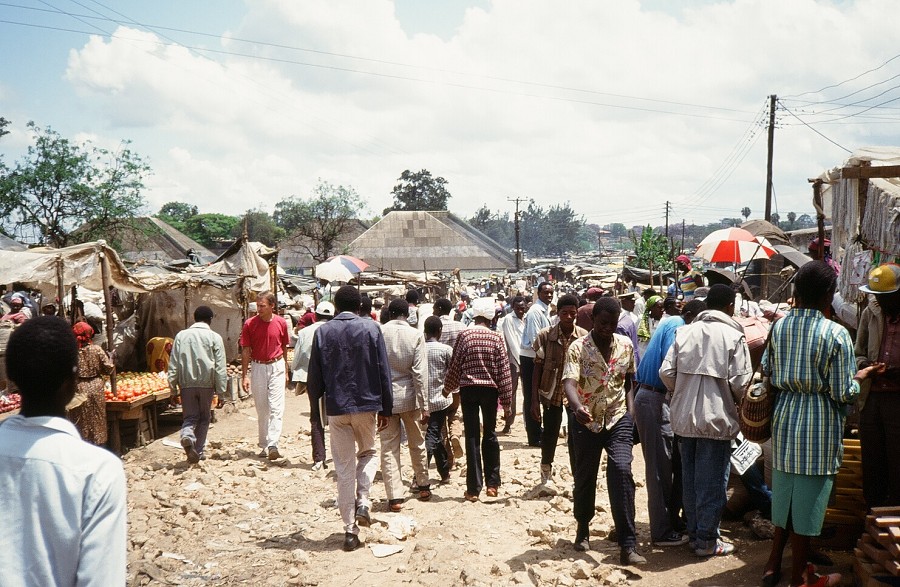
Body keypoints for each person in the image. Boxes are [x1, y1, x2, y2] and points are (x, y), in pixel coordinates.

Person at [761, 261, 883, 587]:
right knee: (808, 507)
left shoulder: (780, 327)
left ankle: (773, 566)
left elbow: (767, 372)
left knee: (785, 498)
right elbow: (843, 392)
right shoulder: (836, 333)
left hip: (785, 421)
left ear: (797, 291)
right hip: (819, 426)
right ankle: (802, 577)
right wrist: (862, 376)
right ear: (830, 294)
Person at [0, 316, 127, 585]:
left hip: (86, 389)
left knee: (87, 424)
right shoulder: (98, 472)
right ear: (70, 380)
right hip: (96, 389)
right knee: (96, 427)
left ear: (11, 377)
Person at [660, 284, 752, 558]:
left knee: (690, 479)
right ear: (730, 307)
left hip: (683, 420)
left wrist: (683, 392)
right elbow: (741, 383)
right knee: (712, 483)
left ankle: (695, 534)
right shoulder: (734, 336)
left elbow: (666, 372)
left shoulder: (684, 332)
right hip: (717, 419)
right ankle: (707, 540)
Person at [307, 285, 393, 552]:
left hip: (336, 407)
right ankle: (364, 501)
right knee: (368, 453)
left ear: (334, 305)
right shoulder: (371, 329)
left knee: (343, 469)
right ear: (359, 306)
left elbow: (314, 378)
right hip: (367, 405)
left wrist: (315, 408)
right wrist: (386, 408)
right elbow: (383, 370)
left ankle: (349, 532)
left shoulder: (322, 332)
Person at [562, 297, 645, 565]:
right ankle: (583, 526)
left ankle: (628, 544)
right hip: (586, 420)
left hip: (618, 417)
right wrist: (577, 408)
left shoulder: (625, 345)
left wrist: (631, 414)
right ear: (593, 321)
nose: (607, 328)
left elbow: (629, 382)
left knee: (621, 471)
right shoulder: (578, 347)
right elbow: (570, 383)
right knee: (585, 476)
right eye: (602, 323)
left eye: (612, 323)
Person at [633, 299, 706, 548]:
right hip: (655, 397)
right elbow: (670, 367)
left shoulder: (671, 323)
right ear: (688, 315)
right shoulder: (677, 325)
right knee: (659, 470)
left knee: (671, 464)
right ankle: (661, 531)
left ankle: (671, 522)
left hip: (656, 398)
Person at [444, 298, 513, 502]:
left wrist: (447, 389)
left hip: (468, 390)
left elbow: (456, 364)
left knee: (472, 436)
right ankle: (493, 484)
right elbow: (504, 371)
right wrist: (507, 402)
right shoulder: (497, 338)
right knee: (490, 434)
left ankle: (473, 489)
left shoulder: (464, 335)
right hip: (490, 392)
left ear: (475, 315)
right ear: (490, 316)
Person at [855, 262, 900, 509]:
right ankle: (873, 519)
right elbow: (857, 353)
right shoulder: (870, 313)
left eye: (886, 297)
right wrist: (869, 365)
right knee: (872, 462)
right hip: (871, 399)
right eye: (878, 297)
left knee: (897, 463)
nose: (880, 302)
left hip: (896, 400)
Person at [530, 294, 587, 486]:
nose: (569, 317)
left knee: (575, 436)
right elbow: (536, 368)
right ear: (558, 313)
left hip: (575, 395)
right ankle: (546, 470)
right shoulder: (545, 336)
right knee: (550, 433)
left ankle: (578, 476)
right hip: (551, 393)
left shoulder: (584, 337)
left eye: (573, 313)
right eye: (565, 313)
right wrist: (534, 400)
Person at [380, 299, 430, 511]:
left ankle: (394, 496)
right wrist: (425, 403)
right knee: (417, 441)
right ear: (408, 315)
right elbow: (419, 373)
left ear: (390, 313)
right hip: (410, 397)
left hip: (386, 399)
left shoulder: (379, 333)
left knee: (389, 447)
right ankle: (423, 484)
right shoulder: (416, 335)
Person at [168, 306, 227, 464]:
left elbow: (173, 364)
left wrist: (172, 388)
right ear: (210, 320)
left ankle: (187, 435)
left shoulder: (181, 336)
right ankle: (198, 451)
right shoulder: (215, 337)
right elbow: (220, 366)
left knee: (190, 417)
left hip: (186, 384)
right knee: (204, 417)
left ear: (195, 318)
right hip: (206, 384)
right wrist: (221, 392)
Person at [240, 291, 291, 461]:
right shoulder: (249, 324)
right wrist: (244, 375)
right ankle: (264, 444)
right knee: (262, 409)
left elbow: (283, 347)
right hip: (258, 366)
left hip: (276, 366)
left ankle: (273, 444)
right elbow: (246, 350)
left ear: (272, 306)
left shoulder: (281, 323)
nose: (258, 309)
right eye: (257, 305)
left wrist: (285, 369)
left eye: (262, 306)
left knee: (277, 408)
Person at [291, 301, 335, 470]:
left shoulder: (305, 332)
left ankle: (319, 458)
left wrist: (296, 374)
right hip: (333, 378)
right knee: (336, 418)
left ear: (315, 315)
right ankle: (339, 456)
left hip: (312, 378)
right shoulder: (335, 331)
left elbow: (298, 357)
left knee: (316, 417)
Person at [68, 320, 114, 446]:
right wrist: (111, 357)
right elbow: (109, 368)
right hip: (96, 387)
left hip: (79, 388)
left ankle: (83, 445)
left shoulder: (72, 353)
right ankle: (100, 445)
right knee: (98, 418)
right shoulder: (97, 350)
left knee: (81, 420)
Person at [520, 281, 554, 446]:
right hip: (532, 358)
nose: (549, 295)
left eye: (550, 292)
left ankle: (538, 430)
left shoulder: (544, 310)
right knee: (531, 395)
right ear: (539, 294)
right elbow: (536, 340)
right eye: (545, 292)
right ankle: (533, 435)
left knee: (541, 394)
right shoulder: (535, 311)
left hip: (539, 357)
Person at [432, 297, 467, 455]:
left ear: (439, 309)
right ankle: (456, 434)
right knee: (454, 412)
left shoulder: (433, 326)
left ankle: (448, 454)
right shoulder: (461, 326)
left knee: (440, 419)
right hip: (458, 379)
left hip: (438, 381)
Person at [423, 316, 453, 483]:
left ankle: (443, 473)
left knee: (433, 434)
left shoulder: (418, 349)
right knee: (433, 435)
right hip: (441, 400)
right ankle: (421, 475)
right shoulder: (446, 350)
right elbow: (453, 374)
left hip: (422, 401)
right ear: (439, 331)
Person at [497, 295, 526, 434]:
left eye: (523, 308)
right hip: (514, 361)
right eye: (518, 308)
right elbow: (512, 342)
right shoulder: (509, 319)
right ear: (513, 307)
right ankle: (508, 423)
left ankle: (529, 424)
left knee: (528, 394)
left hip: (526, 359)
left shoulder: (526, 319)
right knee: (511, 393)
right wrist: (520, 362)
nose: (521, 310)